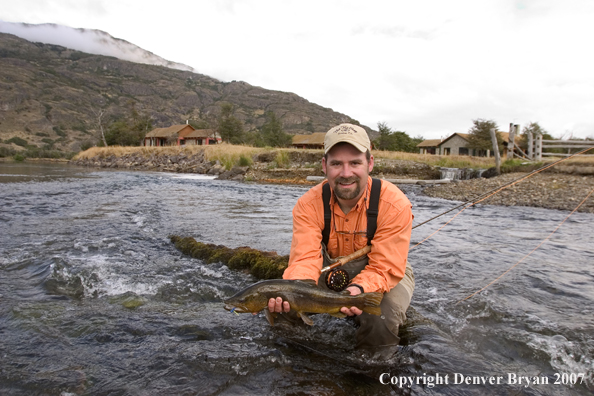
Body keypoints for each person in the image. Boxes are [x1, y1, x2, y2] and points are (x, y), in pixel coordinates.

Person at [269, 123, 415, 358]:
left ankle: (370, 374)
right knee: (283, 308)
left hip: (387, 272)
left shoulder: (395, 204)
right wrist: (295, 292)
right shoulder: (308, 205)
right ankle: (298, 362)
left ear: (370, 163)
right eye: (337, 163)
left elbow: (384, 267)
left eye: (355, 163)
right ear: (324, 166)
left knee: (381, 317)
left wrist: (357, 290)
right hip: (329, 273)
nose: (346, 173)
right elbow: (305, 260)